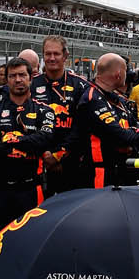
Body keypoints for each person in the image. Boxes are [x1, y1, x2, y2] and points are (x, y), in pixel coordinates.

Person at [0, 57, 56, 240]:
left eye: (22, 75)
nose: (18, 79)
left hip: (31, 188)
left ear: (30, 78)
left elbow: (45, 139)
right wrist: (27, 142)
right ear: (6, 79)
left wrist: (10, 140)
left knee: (33, 240)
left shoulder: (45, 110)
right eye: (13, 76)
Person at [75, 53, 139, 188]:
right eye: (125, 71)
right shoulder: (92, 99)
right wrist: (134, 133)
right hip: (100, 177)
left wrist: (135, 134)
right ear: (118, 74)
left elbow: (138, 128)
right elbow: (120, 135)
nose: (127, 75)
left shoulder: (116, 98)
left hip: (122, 172)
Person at [32, 35, 87, 195]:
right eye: (48, 54)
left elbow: (81, 126)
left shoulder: (80, 85)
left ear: (65, 56)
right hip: (39, 162)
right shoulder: (32, 84)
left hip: (71, 163)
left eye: (56, 54)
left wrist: (58, 155)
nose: (51, 58)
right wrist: (45, 155)